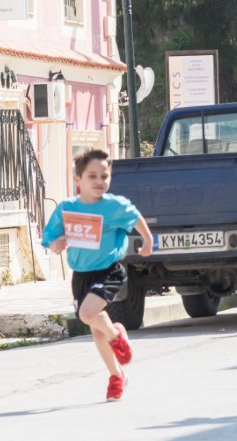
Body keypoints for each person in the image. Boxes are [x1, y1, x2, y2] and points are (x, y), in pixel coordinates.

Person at [40, 148, 154, 401]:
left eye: (104, 176)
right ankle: (116, 375)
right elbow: (49, 237)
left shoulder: (113, 206)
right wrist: (56, 244)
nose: (100, 181)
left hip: (110, 270)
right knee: (96, 329)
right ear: (78, 179)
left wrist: (147, 240)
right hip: (81, 275)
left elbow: (135, 216)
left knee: (87, 314)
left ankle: (117, 336)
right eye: (92, 176)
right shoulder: (67, 208)